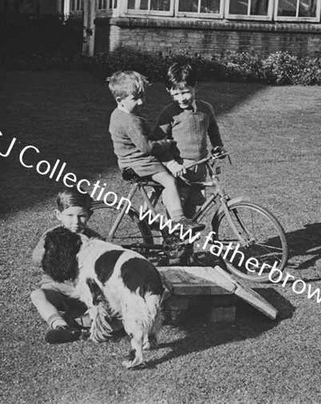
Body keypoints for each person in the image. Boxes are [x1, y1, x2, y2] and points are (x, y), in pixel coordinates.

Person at [107, 70, 203, 231]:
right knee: (169, 181)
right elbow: (147, 147)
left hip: (132, 160)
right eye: (135, 99)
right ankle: (179, 219)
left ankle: (147, 214)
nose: (141, 102)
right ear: (120, 99)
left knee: (162, 181)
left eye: (142, 97)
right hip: (139, 162)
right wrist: (166, 143)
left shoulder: (119, 114)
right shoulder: (130, 121)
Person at [154, 62, 227, 218]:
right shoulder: (169, 113)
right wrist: (170, 163)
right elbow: (156, 143)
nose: (181, 99)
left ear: (195, 87)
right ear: (169, 91)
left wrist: (218, 147)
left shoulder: (206, 109)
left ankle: (188, 243)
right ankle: (169, 241)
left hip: (199, 168)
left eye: (185, 92)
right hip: (179, 172)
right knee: (176, 217)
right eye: (175, 94)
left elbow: (213, 130)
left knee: (192, 215)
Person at [30, 189, 101, 344]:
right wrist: (54, 252)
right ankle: (60, 325)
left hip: (84, 294)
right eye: (70, 215)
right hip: (57, 288)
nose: (76, 221)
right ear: (58, 215)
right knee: (37, 295)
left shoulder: (93, 239)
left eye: (81, 216)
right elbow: (36, 258)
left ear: (90, 215)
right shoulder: (52, 235)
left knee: (101, 311)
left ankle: (75, 323)